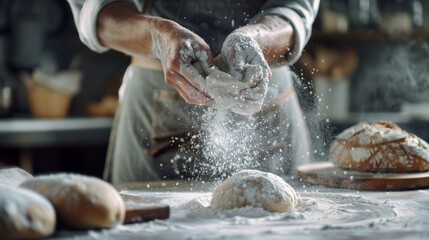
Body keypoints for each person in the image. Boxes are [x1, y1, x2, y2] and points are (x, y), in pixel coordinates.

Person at [67, 0, 320, 183]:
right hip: (158, 106)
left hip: (266, 99)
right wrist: (159, 37)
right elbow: (97, 11)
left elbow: (295, 9)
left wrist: (255, 40)